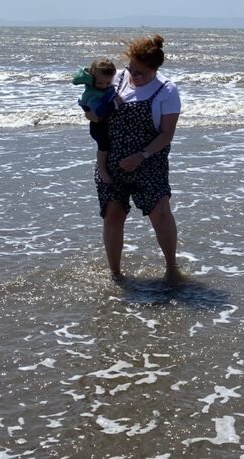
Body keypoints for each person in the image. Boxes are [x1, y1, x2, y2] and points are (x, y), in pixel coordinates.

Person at [87, 34, 183, 282]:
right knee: (113, 215)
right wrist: (91, 113)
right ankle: (116, 274)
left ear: (154, 69)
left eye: (139, 73)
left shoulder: (166, 91)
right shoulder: (117, 79)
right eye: (131, 69)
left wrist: (141, 155)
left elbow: (167, 134)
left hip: (149, 162)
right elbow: (93, 100)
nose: (133, 76)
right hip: (112, 163)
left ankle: (172, 268)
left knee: (160, 213)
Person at [72, 57, 119, 185]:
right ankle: (102, 170)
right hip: (98, 124)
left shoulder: (105, 87)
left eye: (108, 83)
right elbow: (100, 112)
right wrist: (115, 104)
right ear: (93, 78)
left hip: (107, 121)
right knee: (103, 147)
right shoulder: (91, 92)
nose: (104, 86)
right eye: (100, 83)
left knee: (111, 146)